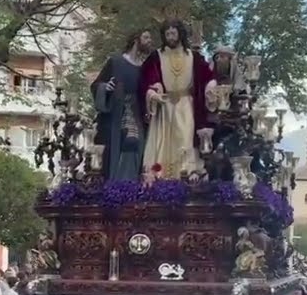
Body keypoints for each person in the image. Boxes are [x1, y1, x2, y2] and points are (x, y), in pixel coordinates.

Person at [139, 18, 215, 176]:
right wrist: (153, 92)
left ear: (180, 34)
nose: (170, 37)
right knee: (162, 143)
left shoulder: (193, 56)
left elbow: (208, 76)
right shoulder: (156, 56)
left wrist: (211, 87)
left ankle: (186, 176)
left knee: (185, 140)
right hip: (164, 106)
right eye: (167, 34)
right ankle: (160, 177)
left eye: (173, 33)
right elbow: (147, 79)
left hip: (186, 106)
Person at [89, 31, 151, 180]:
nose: (150, 41)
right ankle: (115, 187)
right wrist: (106, 87)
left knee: (136, 146)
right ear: (136, 40)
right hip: (114, 118)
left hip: (136, 116)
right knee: (114, 151)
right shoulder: (116, 62)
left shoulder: (144, 68)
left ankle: (131, 186)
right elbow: (96, 85)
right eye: (146, 37)